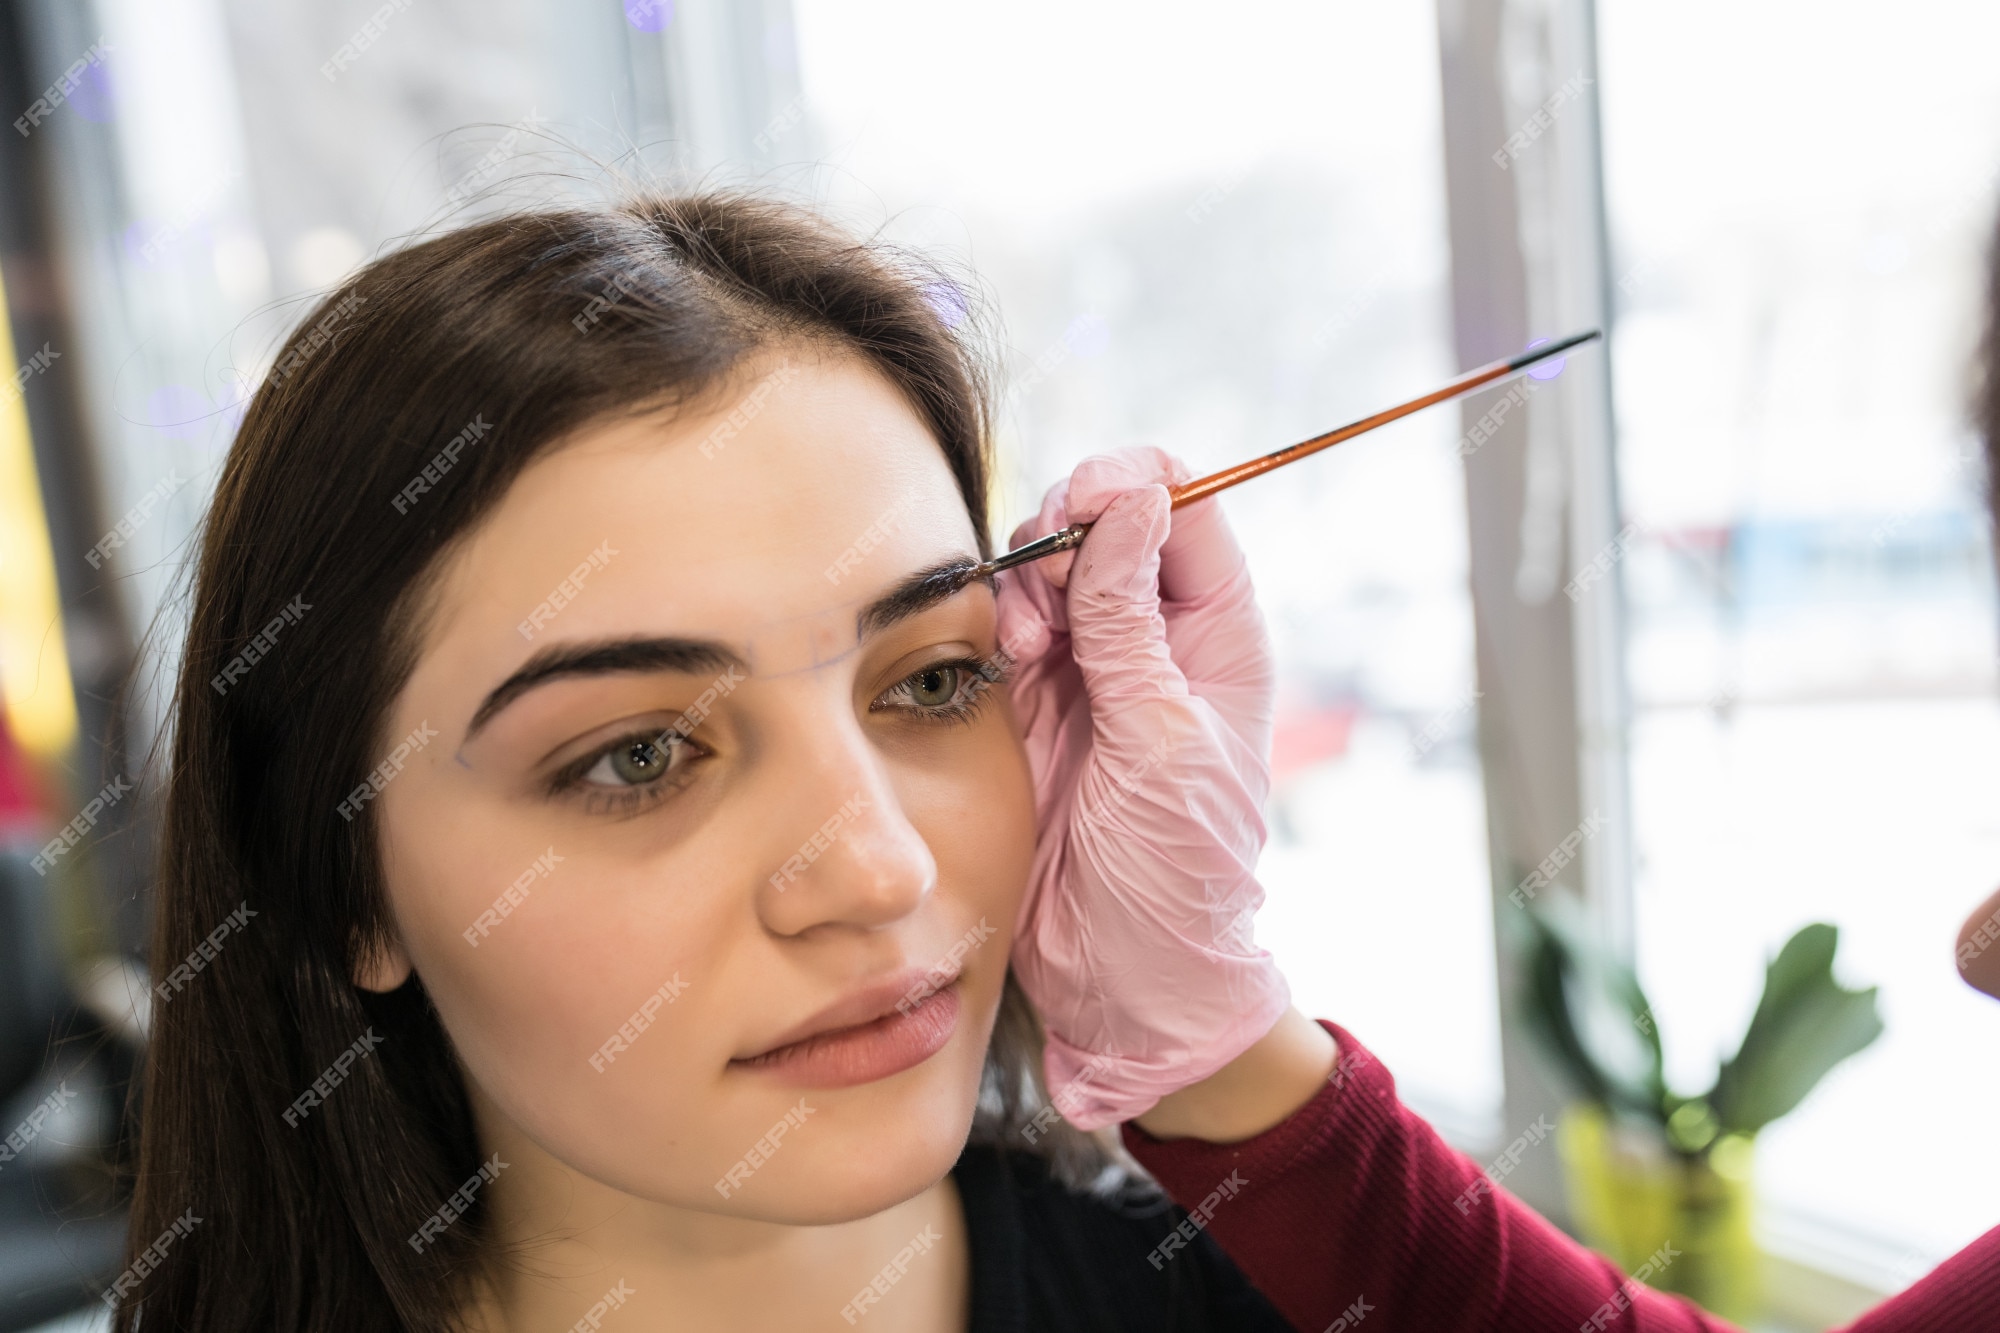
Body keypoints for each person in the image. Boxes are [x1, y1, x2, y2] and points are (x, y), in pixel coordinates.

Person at [115, 189, 1998, 1332]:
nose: (870, 865)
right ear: (342, 874)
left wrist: (1236, 1058)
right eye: (634, 756)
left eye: (933, 679)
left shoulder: (1279, 1313)